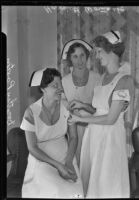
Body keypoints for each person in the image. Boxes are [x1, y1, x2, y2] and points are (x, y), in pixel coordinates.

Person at [68, 30, 134, 198]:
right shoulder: (104, 76)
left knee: (106, 182)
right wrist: (84, 105)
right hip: (95, 136)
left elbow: (111, 118)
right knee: (93, 183)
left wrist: (80, 118)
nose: (96, 56)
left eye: (98, 51)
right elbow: (100, 110)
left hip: (110, 139)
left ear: (111, 50)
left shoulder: (125, 80)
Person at [20, 68, 84, 198]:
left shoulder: (67, 107)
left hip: (66, 156)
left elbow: (73, 137)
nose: (60, 89)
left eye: (61, 84)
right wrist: (58, 166)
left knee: (74, 191)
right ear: (43, 89)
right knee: (53, 190)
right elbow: (32, 147)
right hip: (42, 159)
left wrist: (68, 162)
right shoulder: (31, 113)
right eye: (55, 86)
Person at [61, 39, 101, 167]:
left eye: (82, 55)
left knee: (93, 162)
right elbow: (63, 107)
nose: (79, 60)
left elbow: (100, 109)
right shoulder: (64, 81)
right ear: (70, 59)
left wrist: (84, 107)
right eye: (75, 56)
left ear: (87, 56)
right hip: (73, 130)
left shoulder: (97, 78)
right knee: (77, 161)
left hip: (94, 126)